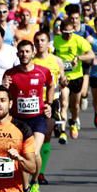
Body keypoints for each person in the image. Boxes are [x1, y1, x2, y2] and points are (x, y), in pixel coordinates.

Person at [3, 40, 53, 192]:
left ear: (33, 53)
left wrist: (49, 103)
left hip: (37, 118)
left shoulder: (42, 72)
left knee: (35, 153)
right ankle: (26, 189)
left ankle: (35, 180)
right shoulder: (10, 74)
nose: (24, 54)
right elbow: (5, 97)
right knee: (23, 156)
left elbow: (51, 85)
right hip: (18, 120)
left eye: (27, 51)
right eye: (21, 52)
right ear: (17, 54)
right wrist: (4, 87)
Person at [32, 30, 65, 184]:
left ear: (48, 43)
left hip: (51, 101)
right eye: (37, 41)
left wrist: (65, 82)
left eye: (42, 40)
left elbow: (63, 79)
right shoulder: (31, 61)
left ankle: (41, 172)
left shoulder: (57, 61)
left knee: (46, 135)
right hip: (32, 101)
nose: (40, 43)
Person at [53, 18, 94, 141]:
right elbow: (52, 56)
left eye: (70, 32)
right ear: (61, 31)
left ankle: (74, 121)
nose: (68, 35)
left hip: (77, 77)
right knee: (64, 103)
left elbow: (91, 55)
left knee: (75, 105)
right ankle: (63, 131)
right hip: (63, 77)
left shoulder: (79, 40)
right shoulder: (56, 41)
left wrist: (79, 57)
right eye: (65, 33)